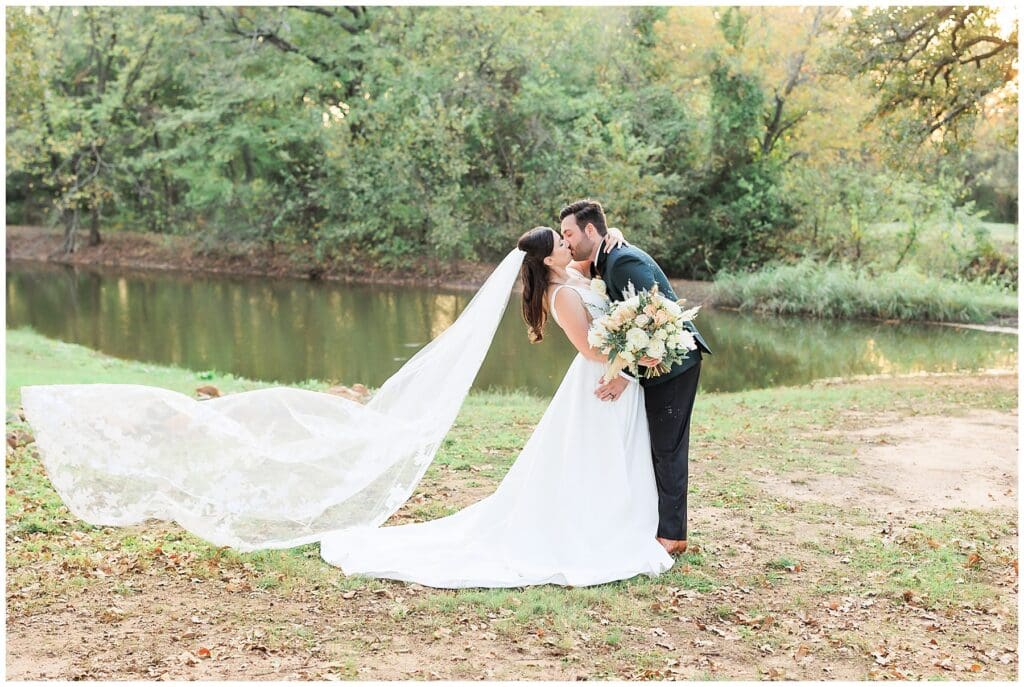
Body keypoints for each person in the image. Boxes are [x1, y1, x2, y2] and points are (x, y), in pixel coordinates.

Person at [318, 226, 673, 587]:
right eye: (561, 243)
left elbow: (595, 257)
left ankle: (618, 518)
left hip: (616, 375)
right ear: (549, 259)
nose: (568, 244)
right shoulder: (561, 293)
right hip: (598, 379)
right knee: (595, 454)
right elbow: (588, 348)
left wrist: (614, 231)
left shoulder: (572, 273)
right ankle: (598, 528)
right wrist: (637, 358)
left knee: (609, 451)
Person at [559, 199, 712, 556]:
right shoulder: (605, 260)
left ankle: (673, 537)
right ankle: (661, 527)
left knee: (668, 449)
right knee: (657, 447)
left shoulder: (621, 259)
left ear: (591, 230)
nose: (566, 242)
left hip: (673, 366)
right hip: (655, 366)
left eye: (569, 234)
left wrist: (625, 375)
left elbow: (657, 315)